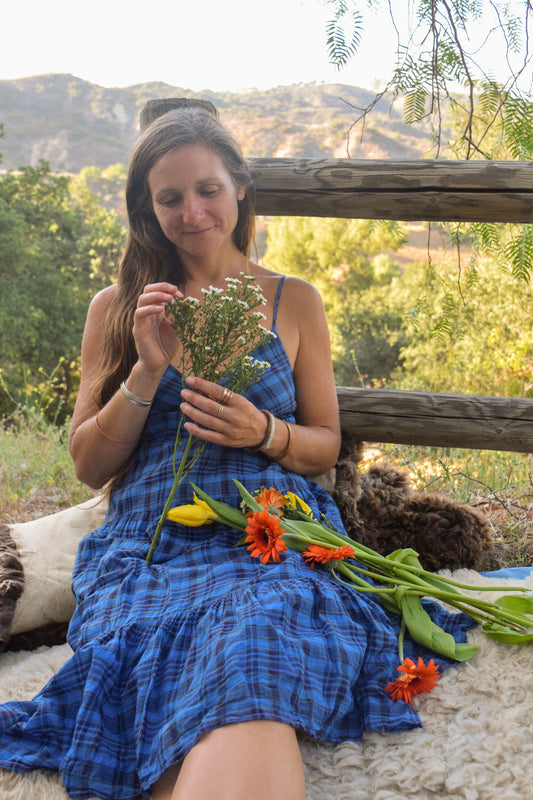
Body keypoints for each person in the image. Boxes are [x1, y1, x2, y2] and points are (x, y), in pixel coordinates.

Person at [0, 106, 473, 800]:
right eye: (169, 198)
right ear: (146, 208)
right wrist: (146, 369)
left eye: (207, 190)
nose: (191, 212)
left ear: (240, 188)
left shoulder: (295, 300)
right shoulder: (118, 307)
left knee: (258, 623)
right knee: (159, 639)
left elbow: (323, 446)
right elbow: (88, 465)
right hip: (153, 535)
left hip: (271, 528)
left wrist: (263, 433)